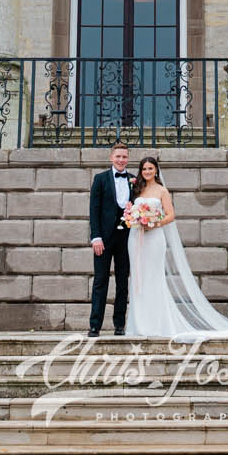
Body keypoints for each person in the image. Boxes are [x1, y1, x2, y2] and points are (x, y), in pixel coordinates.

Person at [120, 155, 228, 338]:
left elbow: (170, 215)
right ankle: (138, 325)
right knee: (137, 280)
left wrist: (153, 223)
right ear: (141, 171)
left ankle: (157, 325)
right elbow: (129, 210)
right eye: (144, 169)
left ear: (156, 170)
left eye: (150, 168)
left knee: (153, 278)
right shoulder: (137, 189)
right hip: (135, 239)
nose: (147, 172)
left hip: (154, 238)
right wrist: (134, 219)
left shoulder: (162, 191)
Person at [86, 143, 134, 336]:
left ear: (128, 158)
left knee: (123, 282)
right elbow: (94, 210)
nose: (121, 160)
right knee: (100, 280)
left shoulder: (134, 180)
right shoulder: (100, 179)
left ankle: (119, 324)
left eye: (124, 157)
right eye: (118, 156)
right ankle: (95, 325)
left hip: (126, 238)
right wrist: (95, 237)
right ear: (111, 158)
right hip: (103, 239)